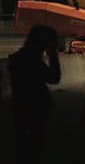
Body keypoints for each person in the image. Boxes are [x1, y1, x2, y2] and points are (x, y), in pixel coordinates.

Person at [7, 24, 62, 163]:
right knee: (35, 145)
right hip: (34, 108)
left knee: (23, 144)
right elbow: (54, 78)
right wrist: (53, 54)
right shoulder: (31, 60)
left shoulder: (20, 57)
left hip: (20, 108)